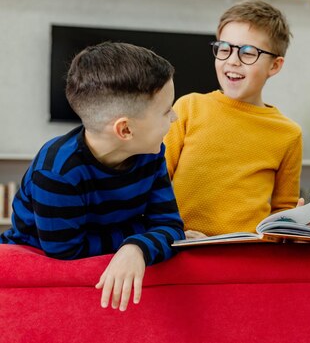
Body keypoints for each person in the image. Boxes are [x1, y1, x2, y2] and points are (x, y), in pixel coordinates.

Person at [0, 42, 184, 311]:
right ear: (125, 130)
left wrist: (136, 250)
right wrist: (137, 236)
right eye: (166, 110)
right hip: (34, 272)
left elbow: (171, 227)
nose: (175, 117)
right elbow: (65, 252)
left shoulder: (151, 153)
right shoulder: (57, 172)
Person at [164, 0, 302, 238]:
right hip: (182, 244)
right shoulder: (189, 107)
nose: (233, 60)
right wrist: (171, 232)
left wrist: (295, 224)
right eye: (225, 49)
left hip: (243, 255)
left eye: (248, 52)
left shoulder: (288, 134)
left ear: (275, 65)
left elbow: (283, 212)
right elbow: (155, 179)